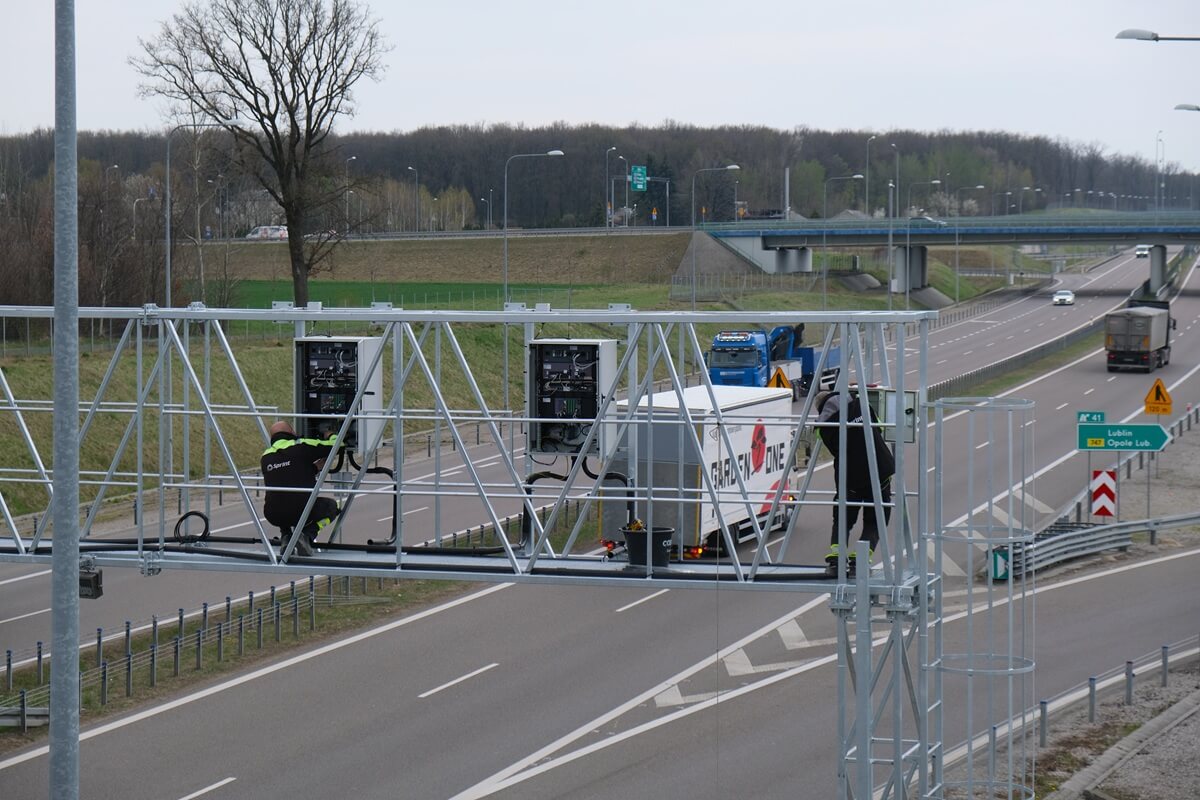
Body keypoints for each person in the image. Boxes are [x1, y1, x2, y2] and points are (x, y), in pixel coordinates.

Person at [814, 389, 895, 576]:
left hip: (849, 477)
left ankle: (837, 556)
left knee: (843, 517)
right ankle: (861, 557)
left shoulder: (822, 425)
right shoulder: (862, 405)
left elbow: (834, 449)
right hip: (879, 470)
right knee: (876, 519)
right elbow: (880, 427)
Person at [260, 420, 341, 557]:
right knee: (332, 507)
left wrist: (314, 468)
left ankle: (286, 536)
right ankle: (307, 535)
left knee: (283, 499)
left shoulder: (266, 456)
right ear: (292, 432)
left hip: (273, 514)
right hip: (301, 511)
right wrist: (330, 435)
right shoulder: (301, 446)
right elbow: (337, 446)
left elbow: (288, 472)